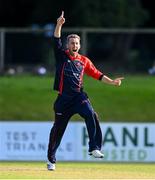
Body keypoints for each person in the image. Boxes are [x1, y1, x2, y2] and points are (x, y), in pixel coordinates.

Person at [47, 11, 124, 171]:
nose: (74, 45)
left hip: (78, 97)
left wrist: (112, 82)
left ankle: (94, 147)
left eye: (76, 43)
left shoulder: (84, 61)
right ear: (68, 45)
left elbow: (97, 74)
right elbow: (56, 39)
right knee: (57, 131)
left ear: (80, 45)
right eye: (72, 43)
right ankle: (51, 160)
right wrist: (59, 25)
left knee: (91, 115)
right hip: (63, 100)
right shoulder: (62, 56)